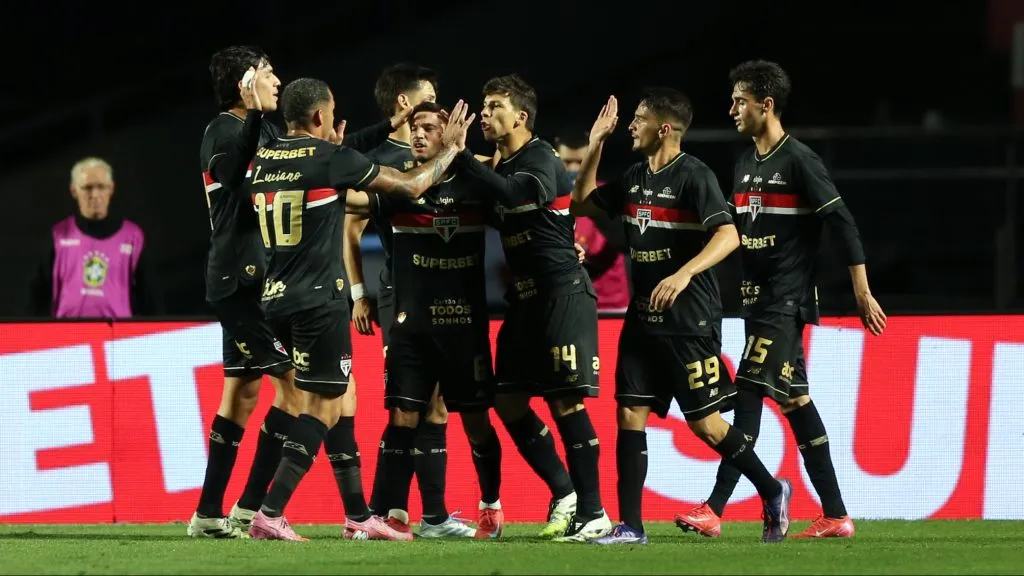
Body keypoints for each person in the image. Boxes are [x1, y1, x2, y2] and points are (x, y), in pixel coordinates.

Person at [244, 77, 475, 541]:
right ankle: (269, 512)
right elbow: (410, 187)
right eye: (331, 116)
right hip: (317, 303)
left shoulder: (265, 158)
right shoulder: (331, 158)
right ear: (319, 118)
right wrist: (451, 151)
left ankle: (358, 515)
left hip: (273, 299)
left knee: (343, 398)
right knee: (325, 408)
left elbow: (338, 200)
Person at [674, 60, 886, 540]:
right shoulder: (747, 162)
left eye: (739, 101)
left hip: (785, 302)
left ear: (765, 105)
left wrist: (862, 291)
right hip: (755, 301)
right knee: (796, 402)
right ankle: (836, 515)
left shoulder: (800, 160)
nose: (731, 110)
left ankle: (715, 508)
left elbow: (843, 223)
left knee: (748, 391)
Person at [571, 90, 793, 544]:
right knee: (629, 413)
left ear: (664, 128)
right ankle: (631, 526)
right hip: (642, 318)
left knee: (705, 424)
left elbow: (729, 236)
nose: (630, 126)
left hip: (689, 319)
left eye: (638, 119)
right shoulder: (634, 176)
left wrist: (683, 273)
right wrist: (595, 144)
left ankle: (773, 489)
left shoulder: (694, 176)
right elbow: (581, 203)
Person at [455, 74, 609, 541]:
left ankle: (595, 512)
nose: (485, 113)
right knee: (508, 400)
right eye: (483, 105)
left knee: (566, 401)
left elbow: (515, 195)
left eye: (494, 105)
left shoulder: (540, 158)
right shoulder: (499, 163)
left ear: (521, 117)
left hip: (561, 293)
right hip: (523, 301)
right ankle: (564, 491)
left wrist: (460, 155)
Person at [365, 101, 505, 539]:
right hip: (411, 328)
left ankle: (490, 505)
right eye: (414, 129)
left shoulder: (477, 186)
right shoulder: (400, 187)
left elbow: (522, 216)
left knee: (478, 422)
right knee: (402, 418)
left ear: (450, 133)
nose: (418, 135)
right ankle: (385, 516)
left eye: (428, 128)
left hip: (465, 328)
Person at [188, 46, 299, 539]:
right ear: (246, 84)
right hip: (238, 284)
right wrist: (254, 114)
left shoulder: (266, 131)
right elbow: (233, 175)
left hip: (257, 285)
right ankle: (252, 509)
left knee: (241, 394)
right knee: (294, 390)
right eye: (269, 74)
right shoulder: (223, 131)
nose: (278, 82)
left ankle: (210, 513)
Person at [342, 63, 452, 535]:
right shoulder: (382, 158)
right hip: (398, 291)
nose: (436, 102)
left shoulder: (443, 152)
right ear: (405, 104)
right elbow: (351, 225)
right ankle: (392, 508)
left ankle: (414, 513)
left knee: (436, 402)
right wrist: (360, 293)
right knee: (408, 401)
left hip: (445, 290)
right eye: (427, 96)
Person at [30, 157, 161, 319]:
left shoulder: (133, 237)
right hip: (68, 335)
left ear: (111, 188)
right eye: (87, 188)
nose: (95, 194)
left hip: (117, 337)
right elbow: (37, 296)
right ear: (74, 190)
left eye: (101, 187)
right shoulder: (58, 235)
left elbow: (149, 297)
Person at [555, 132, 629, 313]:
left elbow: (623, 243)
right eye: (567, 162)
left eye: (581, 162)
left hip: (609, 303)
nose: (573, 169)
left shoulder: (609, 194)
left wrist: (591, 203)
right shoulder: (547, 197)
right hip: (564, 301)